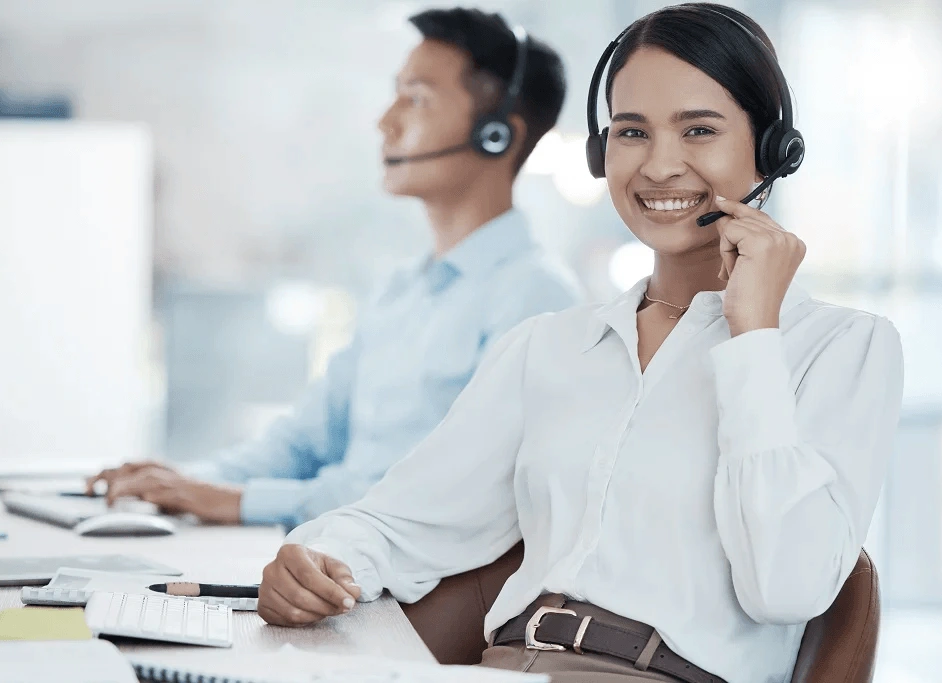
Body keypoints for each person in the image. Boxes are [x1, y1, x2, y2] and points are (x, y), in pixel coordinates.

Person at [255, 4, 905, 683]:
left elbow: (789, 585)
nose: (659, 166)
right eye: (631, 132)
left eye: (699, 130)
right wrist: (316, 558)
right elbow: (403, 518)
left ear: (773, 150)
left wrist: (753, 338)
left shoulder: (845, 348)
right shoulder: (548, 346)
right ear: (602, 151)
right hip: (500, 665)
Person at [86, 8, 579, 528]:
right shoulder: (403, 289)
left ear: (496, 134)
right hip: (335, 549)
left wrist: (233, 501)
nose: (385, 122)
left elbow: (437, 493)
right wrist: (182, 483)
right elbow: (305, 440)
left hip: (402, 586)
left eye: (416, 99)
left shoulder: (536, 301)